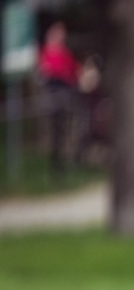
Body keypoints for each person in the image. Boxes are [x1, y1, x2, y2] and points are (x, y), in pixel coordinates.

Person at [37, 21, 80, 175]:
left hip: (66, 93)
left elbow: (74, 70)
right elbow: (45, 72)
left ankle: (65, 162)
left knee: (65, 129)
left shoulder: (65, 53)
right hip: (53, 93)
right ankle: (55, 164)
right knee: (53, 129)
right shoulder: (45, 52)